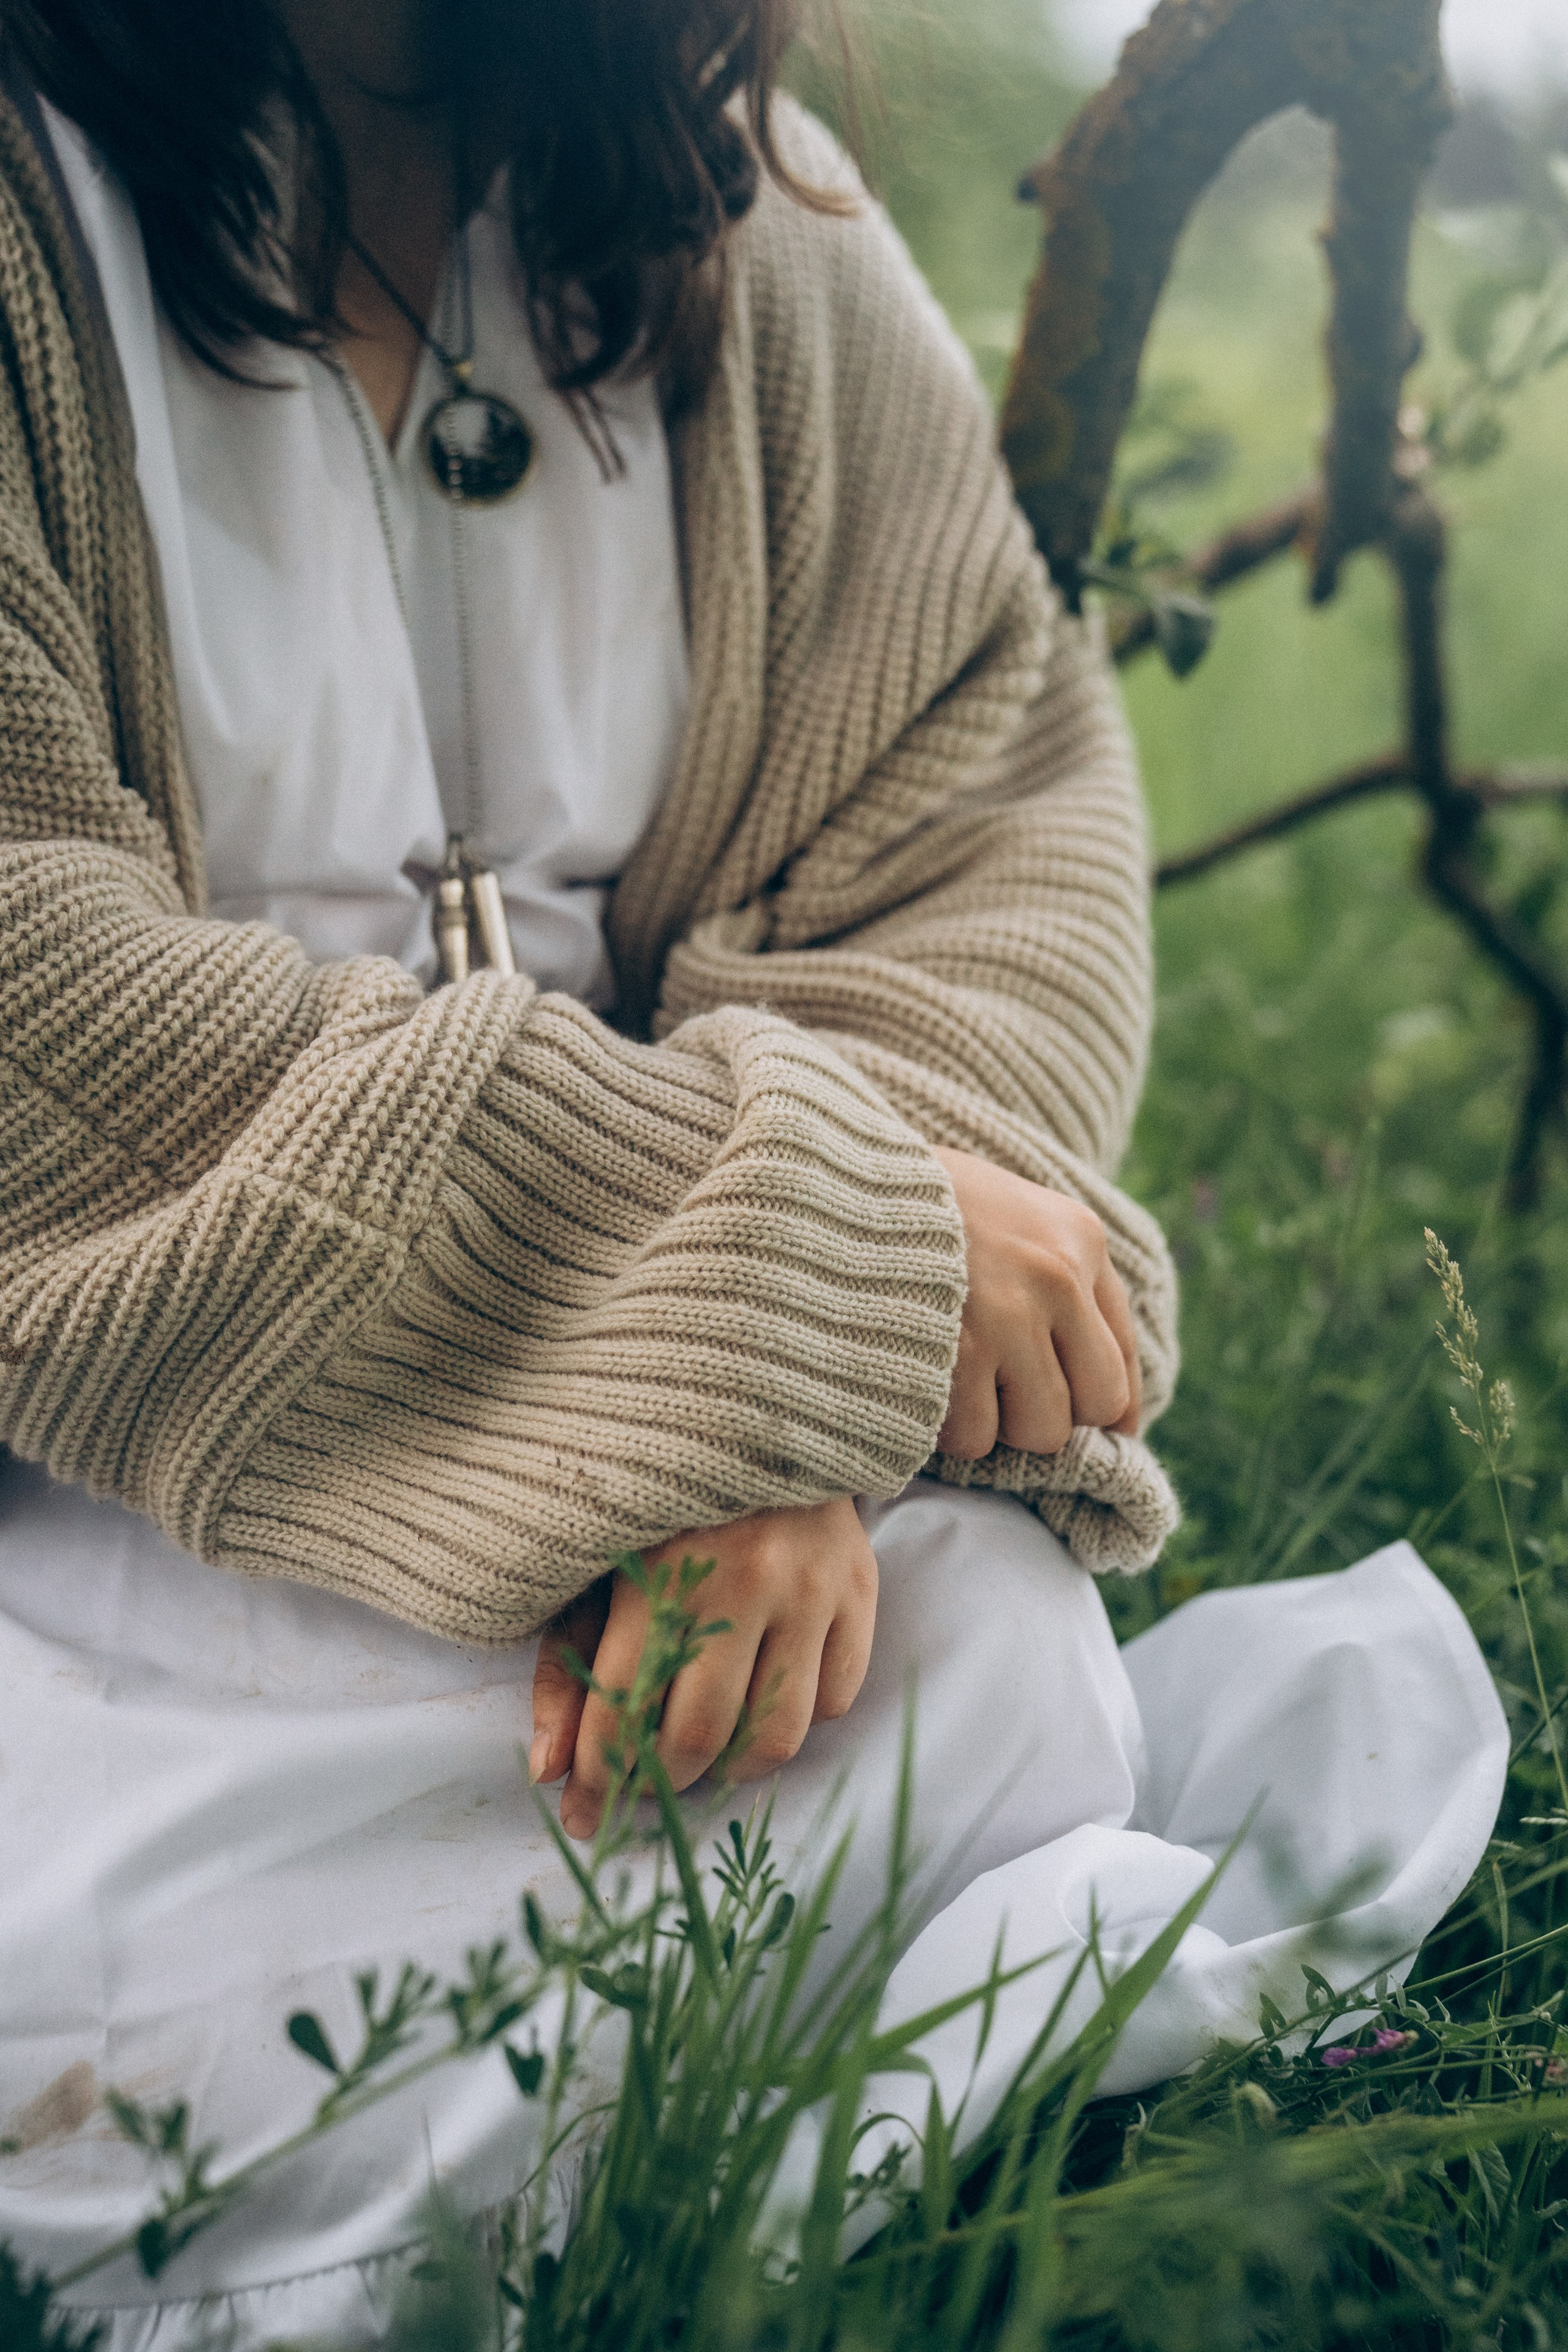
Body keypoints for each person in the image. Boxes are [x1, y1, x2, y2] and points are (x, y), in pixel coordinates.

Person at [0, 4, 1505, 2343]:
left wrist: (781, 1417)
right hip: (113, 1486)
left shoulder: (733, 211)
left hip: (687, 1511)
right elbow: (49, 1021)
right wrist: (756, 1288)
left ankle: (524, 2115)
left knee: (986, 1651)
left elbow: (969, 829)